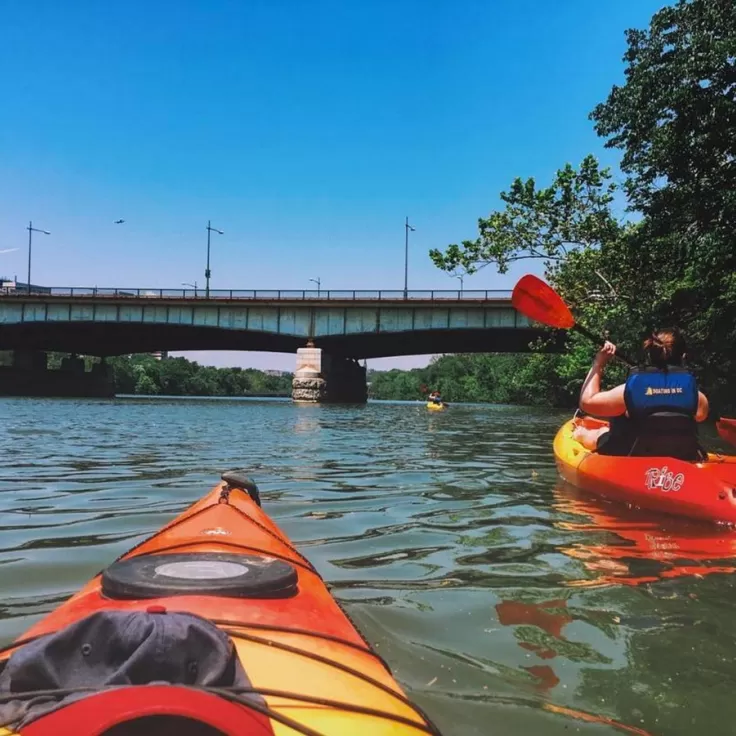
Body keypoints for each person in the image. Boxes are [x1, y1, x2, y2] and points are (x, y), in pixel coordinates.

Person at [571, 328, 709, 459]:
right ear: (683, 356)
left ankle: (580, 434)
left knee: (599, 433)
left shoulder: (630, 391)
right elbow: (701, 416)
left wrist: (599, 363)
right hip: (682, 455)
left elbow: (587, 403)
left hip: (632, 454)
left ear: (650, 353)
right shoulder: (698, 398)